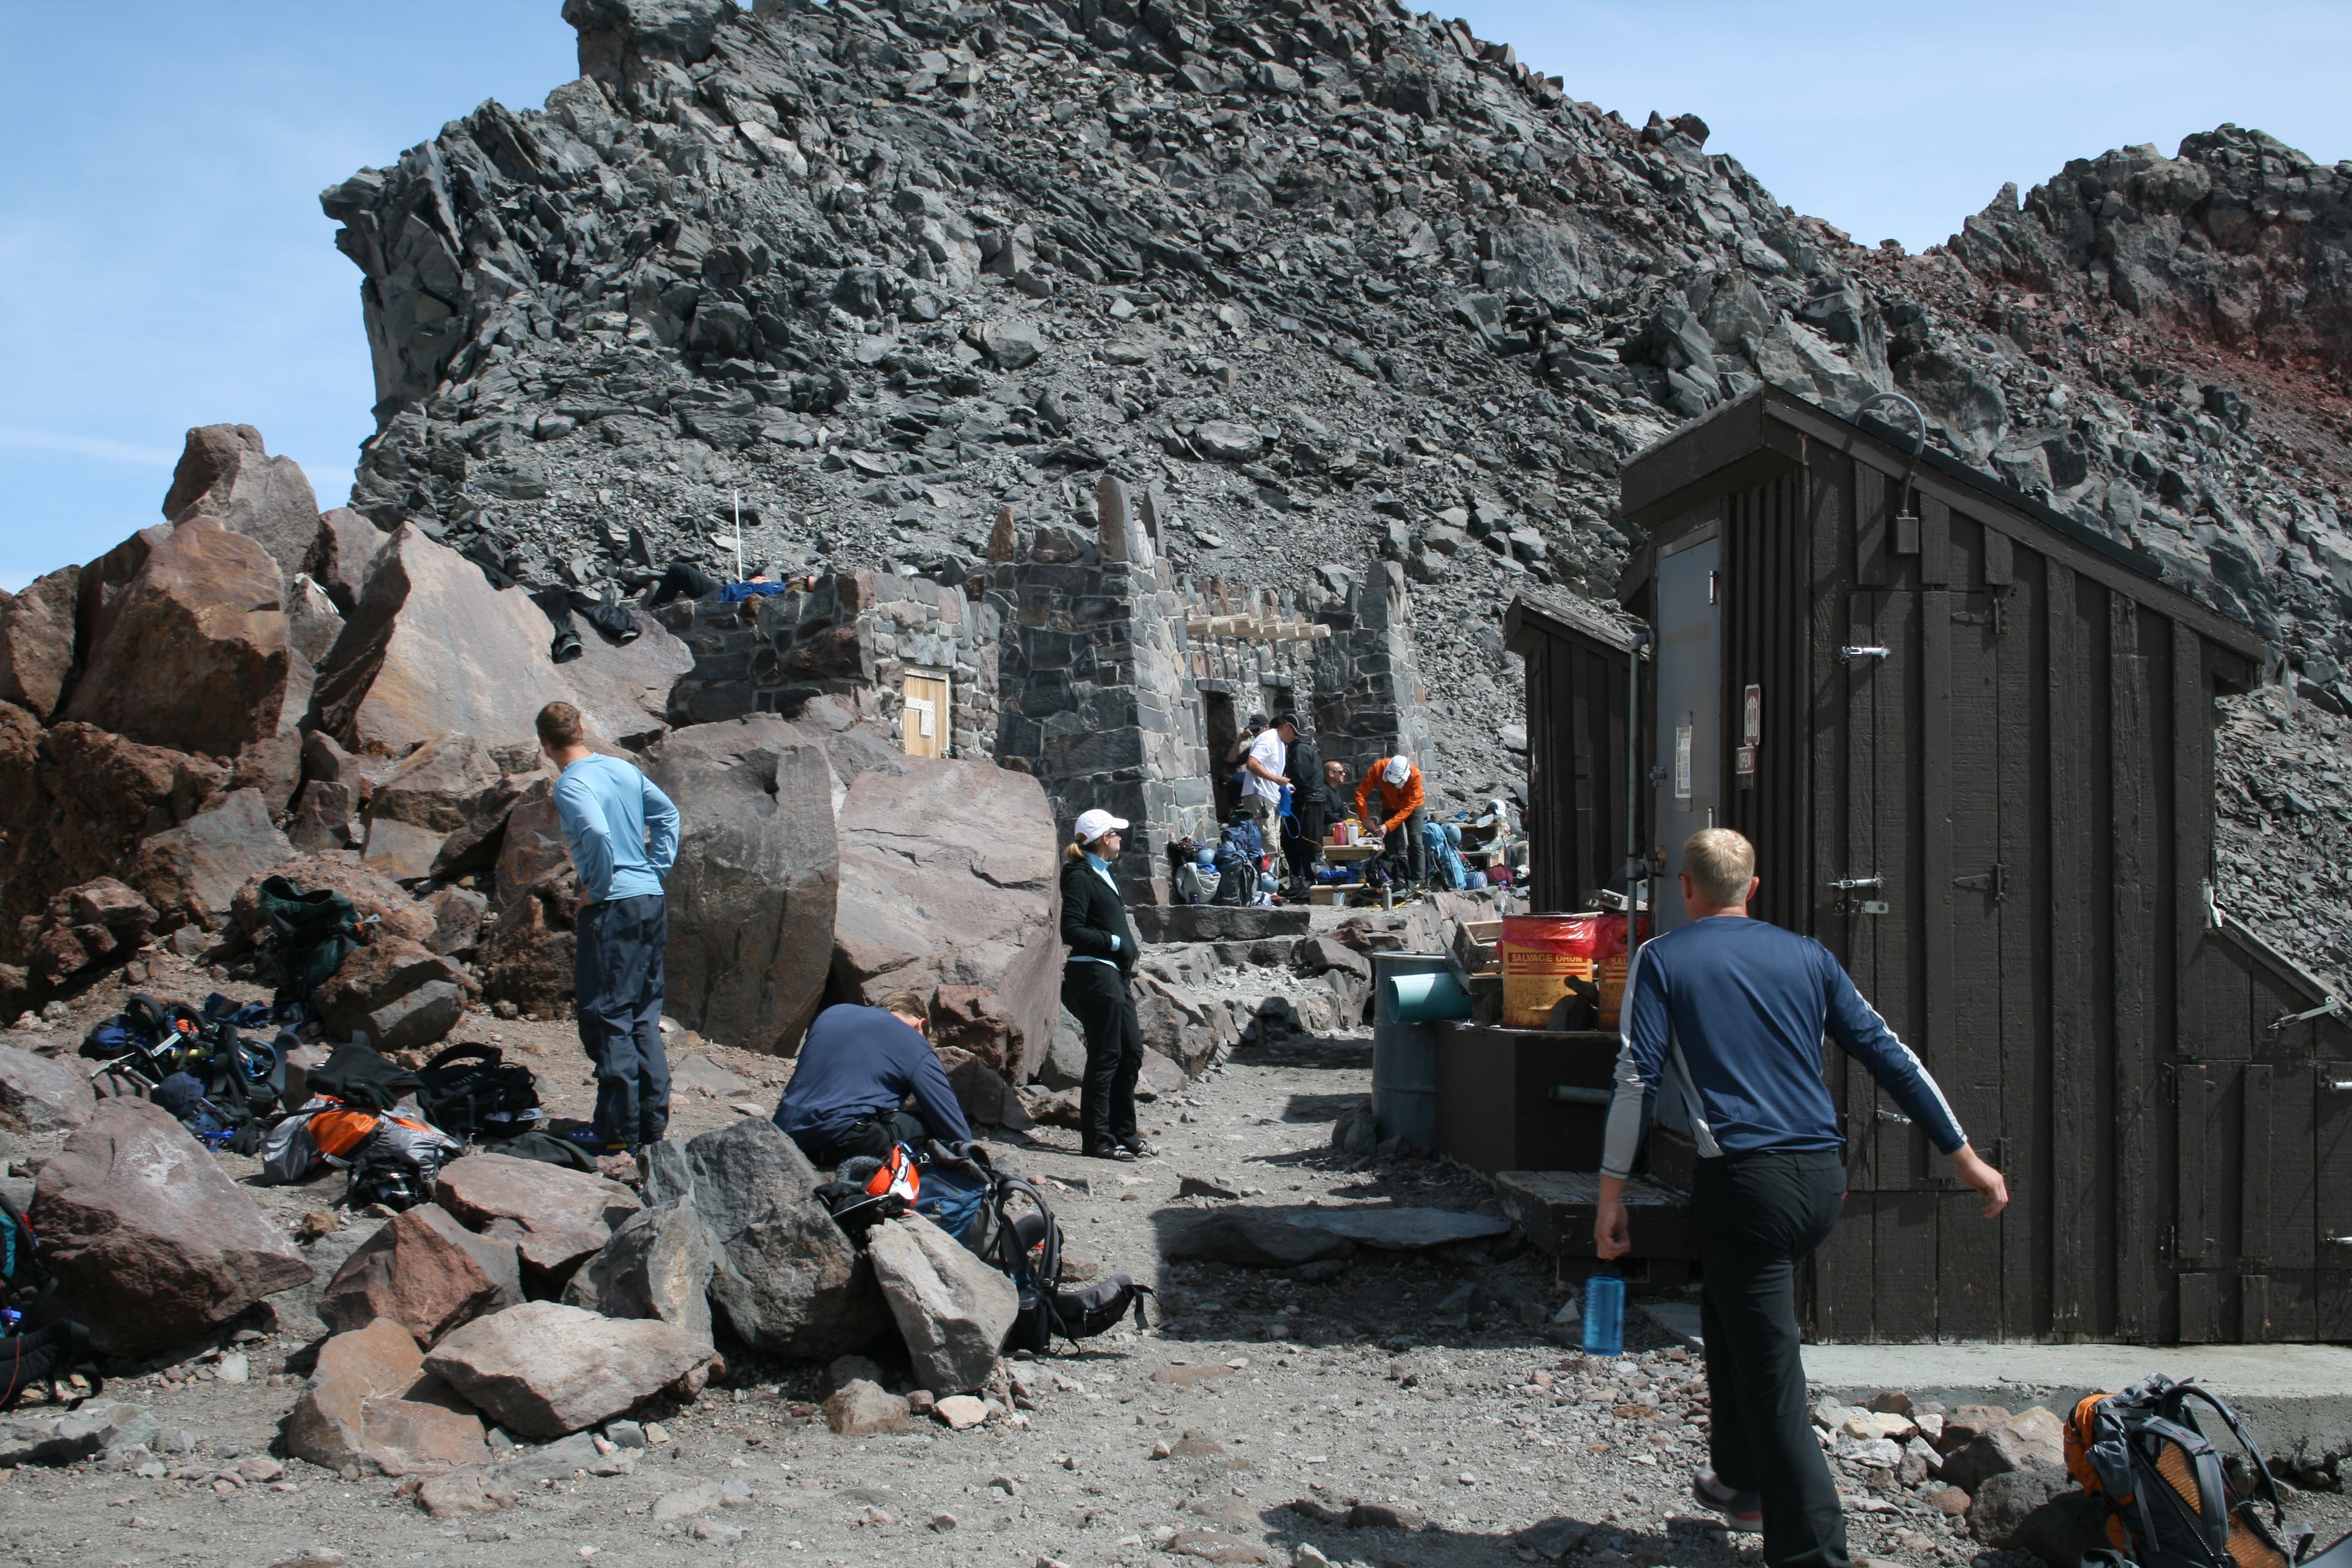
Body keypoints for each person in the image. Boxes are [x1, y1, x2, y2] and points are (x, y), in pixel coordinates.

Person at [1596, 828, 2007, 1568]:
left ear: (1685, 888)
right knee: (1729, 1311)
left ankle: (1813, 1552)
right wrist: (1965, 1156)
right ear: (1753, 888)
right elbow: (1889, 1053)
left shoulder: (1662, 959)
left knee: (1773, 1374)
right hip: (1819, 1179)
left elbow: (1637, 1078)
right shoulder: (1810, 956)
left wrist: (1610, 1194)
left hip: (1745, 1184)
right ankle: (1743, 1479)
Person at [539, 701, 682, 1153]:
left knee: (607, 1013)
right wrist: (655, 869)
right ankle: (650, 1125)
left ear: (544, 743)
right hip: (649, 900)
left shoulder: (570, 784)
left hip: (613, 907)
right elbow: (668, 815)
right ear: (582, 729)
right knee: (643, 1011)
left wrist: (598, 889)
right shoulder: (622, 769)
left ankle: (615, 1130)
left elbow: (598, 835)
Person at [772, 989, 974, 1168]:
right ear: (920, 1025)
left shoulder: (833, 1013)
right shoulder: (912, 1039)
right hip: (843, 1140)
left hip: (786, 1132)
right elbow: (954, 1128)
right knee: (927, 1126)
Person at [1058, 808, 1156, 1162]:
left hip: (1114, 975)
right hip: (1094, 974)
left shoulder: (1103, 871)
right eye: (1116, 833)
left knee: (1130, 1052)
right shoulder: (1080, 875)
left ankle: (1124, 1134)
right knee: (1106, 1054)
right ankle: (1098, 1140)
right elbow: (1071, 930)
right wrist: (1115, 942)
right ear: (1104, 839)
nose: (1120, 838)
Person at [1354, 752, 1426, 889]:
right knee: (1390, 843)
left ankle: (1418, 880)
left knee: (1415, 840)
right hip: (1390, 805)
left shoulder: (1415, 775)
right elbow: (1361, 793)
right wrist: (1364, 817)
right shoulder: (1378, 767)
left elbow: (1409, 808)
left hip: (1414, 807)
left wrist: (1388, 825)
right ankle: (1395, 877)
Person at [1239, 715, 1295, 881]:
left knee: (1275, 842)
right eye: (1295, 733)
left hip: (1271, 797)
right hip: (1259, 796)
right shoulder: (1268, 738)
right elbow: (1252, 764)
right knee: (1267, 842)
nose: (1296, 737)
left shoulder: (1281, 743)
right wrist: (1276, 779)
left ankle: (1271, 885)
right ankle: (1262, 887)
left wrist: (1281, 785)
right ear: (1286, 726)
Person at [1276, 715, 1327, 894]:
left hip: (1308, 800)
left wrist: (1284, 783)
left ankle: (1309, 883)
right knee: (1290, 841)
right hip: (1304, 800)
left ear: (1289, 728)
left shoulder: (1300, 749)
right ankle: (1299, 880)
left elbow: (1301, 776)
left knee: (1306, 843)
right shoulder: (1299, 748)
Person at [644, 560, 813, 608]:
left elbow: (744, 600)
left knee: (673, 610)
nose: (802, 576)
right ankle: (653, 609)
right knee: (678, 569)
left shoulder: (777, 594)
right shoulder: (778, 585)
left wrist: (751, 583)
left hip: (721, 599)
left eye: (805, 580)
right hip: (722, 589)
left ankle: (653, 617)